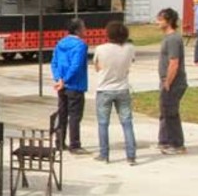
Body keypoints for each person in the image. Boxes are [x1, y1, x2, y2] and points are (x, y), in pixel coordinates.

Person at [93, 21, 137, 165]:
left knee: (103, 123)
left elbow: (97, 67)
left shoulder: (101, 48)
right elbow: (130, 63)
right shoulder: (130, 48)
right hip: (122, 88)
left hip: (104, 88)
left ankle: (104, 154)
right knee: (127, 122)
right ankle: (131, 155)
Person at [50, 18, 89, 154]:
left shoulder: (60, 43)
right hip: (75, 84)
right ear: (78, 30)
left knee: (62, 113)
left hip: (61, 85)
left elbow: (54, 63)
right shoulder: (80, 45)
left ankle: (59, 142)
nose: (85, 30)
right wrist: (65, 79)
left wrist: (59, 79)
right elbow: (76, 66)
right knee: (75, 115)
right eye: (83, 27)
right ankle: (75, 144)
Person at [156, 8, 187, 155]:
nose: (157, 22)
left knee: (171, 113)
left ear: (169, 21)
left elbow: (174, 62)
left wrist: (168, 81)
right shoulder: (167, 38)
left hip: (174, 82)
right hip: (165, 81)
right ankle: (164, 141)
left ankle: (177, 144)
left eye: (160, 20)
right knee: (164, 112)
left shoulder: (173, 39)